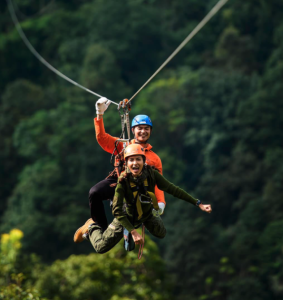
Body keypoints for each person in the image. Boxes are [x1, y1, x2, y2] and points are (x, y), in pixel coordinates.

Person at [75, 144, 212, 253]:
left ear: (144, 161)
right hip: (126, 217)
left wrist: (197, 203)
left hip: (146, 214)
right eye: (131, 160)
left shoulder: (151, 174)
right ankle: (91, 227)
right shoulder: (123, 181)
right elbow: (117, 211)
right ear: (127, 163)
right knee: (101, 247)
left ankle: (138, 222)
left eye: (138, 159)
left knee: (161, 233)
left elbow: (172, 189)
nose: (135, 163)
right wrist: (134, 232)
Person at [74, 97, 166, 242]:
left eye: (146, 129)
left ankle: (126, 233)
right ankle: (96, 226)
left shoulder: (154, 158)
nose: (143, 131)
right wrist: (99, 115)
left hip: (139, 188)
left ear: (150, 131)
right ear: (133, 130)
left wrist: (160, 202)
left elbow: (158, 182)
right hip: (119, 180)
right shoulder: (123, 145)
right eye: (139, 128)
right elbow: (102, 139)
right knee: (95, 192)